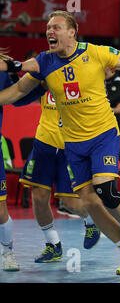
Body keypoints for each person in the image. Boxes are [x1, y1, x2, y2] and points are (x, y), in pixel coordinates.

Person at [0, 10, 120, 275]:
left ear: (72, 32)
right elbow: (18, 90)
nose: (49, 31)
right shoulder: (45, 61)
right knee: (90, 203)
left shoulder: (95, 52)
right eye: (47, 27)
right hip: (73, 142)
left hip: (103, 134)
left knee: (105, 190)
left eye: (56, 27)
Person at [18, 85, 101, 263]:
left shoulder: (78, 73)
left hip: (69, 147)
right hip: (44, 144)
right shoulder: (43, 74)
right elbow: (20, 88)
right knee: (39, 198)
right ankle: (53, 245)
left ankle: (91, 221)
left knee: (71, 204)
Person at [0, 50, 43, 271]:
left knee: (0, 211)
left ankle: (7, 252)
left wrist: (41, 85)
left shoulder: (3, 66)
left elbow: (17, 95)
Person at [105, 68, 120, 137]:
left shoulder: (117, 81)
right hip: (104, 121)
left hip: (115, 119)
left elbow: (114, 98)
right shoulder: (103, 81)